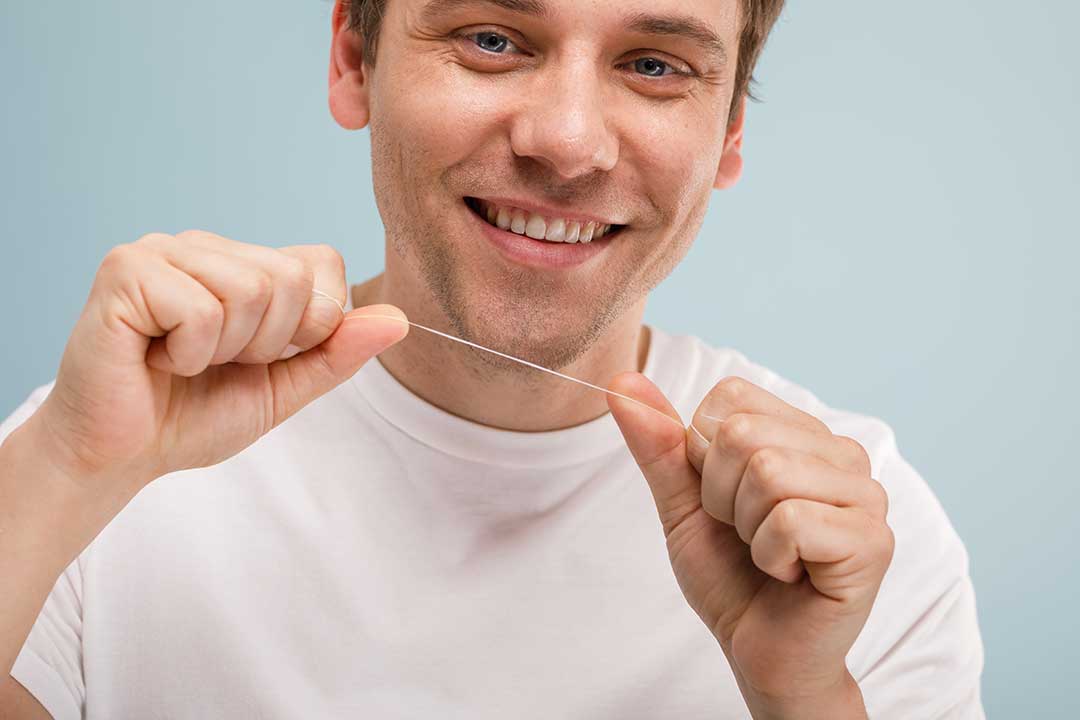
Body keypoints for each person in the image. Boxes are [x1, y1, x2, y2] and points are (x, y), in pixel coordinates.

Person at [0, 0, 985, 717]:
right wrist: (62, 476)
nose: (565, 143)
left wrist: (804, 694)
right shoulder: (87, 468)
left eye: (654, 65)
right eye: (492, 39)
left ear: (728, 134)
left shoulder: (849, 552)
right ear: (353, 58)